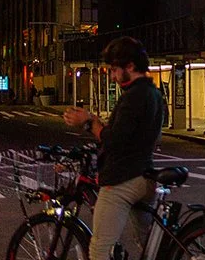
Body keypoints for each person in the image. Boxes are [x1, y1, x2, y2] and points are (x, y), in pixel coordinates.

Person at [64, 37, 165, 260]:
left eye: (114, 70)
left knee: (99, 249)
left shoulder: (134, 96)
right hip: (145, 175)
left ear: (130, 66)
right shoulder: (153, 93)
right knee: (151, 247)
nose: (112, 76)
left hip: (123, 179)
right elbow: (135, 135)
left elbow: (114, 140)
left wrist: (88, 122)